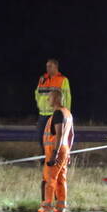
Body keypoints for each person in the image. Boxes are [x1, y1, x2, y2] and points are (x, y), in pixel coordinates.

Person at [30, 89, 74, 212]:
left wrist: (54, 153)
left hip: (55, 151)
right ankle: (60, 209)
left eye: (49, 97)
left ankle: (46, 210)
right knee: (61, 179)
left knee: (50, 179)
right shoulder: (68, 113)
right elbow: (71, 135)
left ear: (55, 99)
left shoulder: (58, 114)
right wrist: (68, 152)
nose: (48, 100)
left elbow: (59, 134)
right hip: (64, 150)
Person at [34, 59, 71, 201]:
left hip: (56, 113)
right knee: (43, 141)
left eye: (50, 66)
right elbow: (37, 94)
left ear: (56, 66)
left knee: (56, 138)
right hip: (43, 114)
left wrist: (64, 112)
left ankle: (52, 159)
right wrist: (40, 106)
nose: (47, 68)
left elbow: (67, 97)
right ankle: (46, 158)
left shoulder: (62, 80)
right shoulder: (43, 79)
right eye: (46, 66)